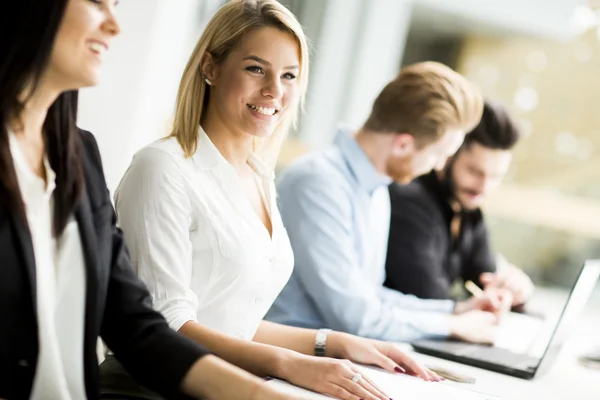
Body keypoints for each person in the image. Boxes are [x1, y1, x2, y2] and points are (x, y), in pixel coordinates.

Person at [108, 1, 440, 399]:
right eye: (255, 69)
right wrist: (289, 364)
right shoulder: (162, 168)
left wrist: (333, 344)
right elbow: (167, 325)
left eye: (289, 76)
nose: (274, 91)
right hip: (150, 390)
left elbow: (230, 322)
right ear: (210, 67)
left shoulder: (259, 175)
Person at [0, 0, 305, 399]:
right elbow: (170, 319)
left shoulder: (78, 155)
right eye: (96, 3)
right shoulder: (163, 166)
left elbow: (135, 325)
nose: (114, 26)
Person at [267, 62, 513, 345]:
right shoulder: (317, 183)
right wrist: (451, 325)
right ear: (403, 145)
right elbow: (356, 317)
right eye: (440, 155)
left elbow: (370, 297)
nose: (439, 166)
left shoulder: (376, 190)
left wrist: (457, 309)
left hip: (342, 356)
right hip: (293, 361)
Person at [384, 100, 534, 306]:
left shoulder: (469, 212)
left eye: (495, 177)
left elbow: (486, 278)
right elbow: (431, 300)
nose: (484, 187)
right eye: (474, 172)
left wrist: (515, 290)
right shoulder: (410, 201)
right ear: (447, 155)